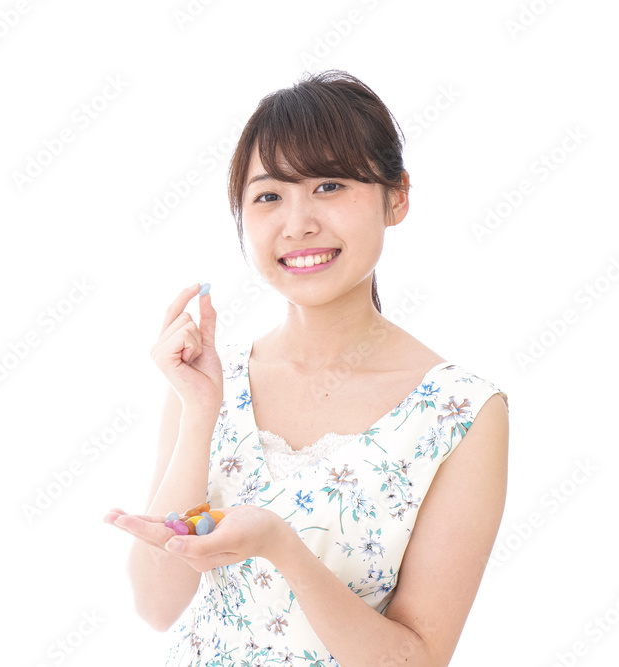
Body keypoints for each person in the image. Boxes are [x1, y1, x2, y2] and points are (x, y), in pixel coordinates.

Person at [103, 69, 509, 667]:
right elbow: (155, 607)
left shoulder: (461, 413)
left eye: (330, 186)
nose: (298, 224)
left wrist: (284, 550)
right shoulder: (212, 381)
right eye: (269, 196)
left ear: (396, 197)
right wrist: (199, 416)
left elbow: (417, 659)